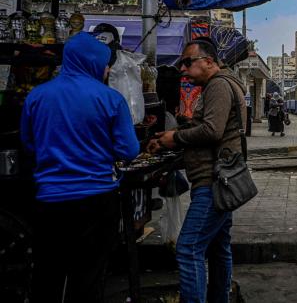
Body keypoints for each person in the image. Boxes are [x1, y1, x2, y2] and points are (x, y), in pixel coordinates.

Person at [20, 32, 139, 303]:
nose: (107, 69)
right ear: (94, 62)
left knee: (47, 276)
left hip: (49, 201)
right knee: (87, 279)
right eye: (105, 63)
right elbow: (129, 150)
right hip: (96, 201)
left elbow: (28, 144)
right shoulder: (110, 99)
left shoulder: (37, 97)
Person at [148, 40, 246, 303]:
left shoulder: (218, 86)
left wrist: (175, 139)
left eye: (188, 62)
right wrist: (176, 133)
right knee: (218, 248)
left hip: (212, 181)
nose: (183, 68)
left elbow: (212, 130)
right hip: (220, 179)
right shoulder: (224, 83)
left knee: (188, 248)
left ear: (209, 61)